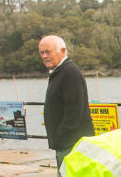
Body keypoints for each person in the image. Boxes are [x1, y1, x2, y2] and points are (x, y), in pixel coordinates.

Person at [39, 35, 94, 168]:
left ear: (63, 51)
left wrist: (60, 139)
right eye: (42, 52)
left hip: (72, 144)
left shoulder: (70, 73)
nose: (44, 56)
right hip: (66, 144)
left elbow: (74, 112)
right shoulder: (59, 72)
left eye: (48, 52)